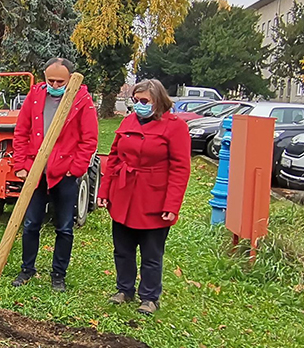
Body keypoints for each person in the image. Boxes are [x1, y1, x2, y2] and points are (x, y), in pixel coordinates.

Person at [97, 78, 191, 315]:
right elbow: (115, 157)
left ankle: (149, 297)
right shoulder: (129, 121)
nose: (139, 105)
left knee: (151, 252)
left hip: (154, 197)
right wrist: (104, 191)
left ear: (158, 101)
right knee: (123, 249)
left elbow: (181, 168)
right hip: (124, 192)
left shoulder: (175, 126)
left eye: (144, 101)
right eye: (136, 100)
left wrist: (172, 204)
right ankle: (124, 289)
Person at [11, 57, 99, 292]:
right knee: (30, 224)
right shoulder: (35, 96)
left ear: (71, 79)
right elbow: (21, 131)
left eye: (60, 81)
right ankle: (27, 269)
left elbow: (89, 139)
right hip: (35, 172)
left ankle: (58, 274)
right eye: (50, 80)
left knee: (64, 227)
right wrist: (21, 164)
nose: (55, 84)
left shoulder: (82, 101)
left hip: (65, 174)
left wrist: (76, 169)